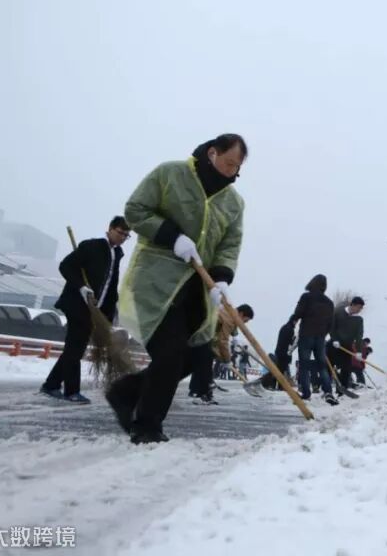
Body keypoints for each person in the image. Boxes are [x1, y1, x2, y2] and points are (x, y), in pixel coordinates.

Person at [105, 134, 247, 444]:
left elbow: (229, 245)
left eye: (237, 167)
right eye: (228, 163)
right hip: (157, 281)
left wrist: (222, 277)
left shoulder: (234, 203)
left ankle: (127, 391)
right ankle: (147, 425)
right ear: (212, 153)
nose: (232, 171)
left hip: (197, 291)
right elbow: (136, 210)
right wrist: (172, 237)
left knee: (195, 356)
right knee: (169, 353)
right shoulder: (171, 174)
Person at [40, 216, 131, 404]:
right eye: (120, 233)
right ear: (110, 229)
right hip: (77, 305)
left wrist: (108, 318)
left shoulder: (117, 253)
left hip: (94, 311)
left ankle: (51, 384)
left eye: (126, 235)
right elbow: (65, 266)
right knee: (75, 347)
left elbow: (110, 287)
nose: (122, 237)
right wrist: (81, 286)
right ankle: (71, 391)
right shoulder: (91, 246)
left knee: (74, 348)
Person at [189, 303, 253, 404]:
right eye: (245, 320)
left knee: (202, 367)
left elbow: (230, 328)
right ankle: (202, 395)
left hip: (201, 338)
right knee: (205, 368)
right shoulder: (230, 319)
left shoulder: (229, 312)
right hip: (204, 340)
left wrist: (235, 335)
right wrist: (226, 360)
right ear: (241, 314)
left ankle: (197, 392)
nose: (244, 323)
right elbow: (222, 341)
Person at [292, 274, 338, 405]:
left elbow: (298, 313)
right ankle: (328, 392)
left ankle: (306, 393)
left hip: (306, 335)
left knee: (304, 366)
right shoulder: (329, 302)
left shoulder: (306, 297)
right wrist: (323, 334)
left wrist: (292, 322)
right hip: (320, 338)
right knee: (322, 366)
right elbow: (331, 323)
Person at [329, 296, 365, 391]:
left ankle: (342, 390)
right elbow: (332, 327)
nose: (360, 310)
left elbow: (359, 336)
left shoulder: (359, 320)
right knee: (329, 366)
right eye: (359, 307)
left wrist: (359, 351)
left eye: (361, 308)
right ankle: (327, 389)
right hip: (334, 344)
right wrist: (334, 339)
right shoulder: (338, 312)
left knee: (346, 368)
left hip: (346, 347)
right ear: (352, 305)